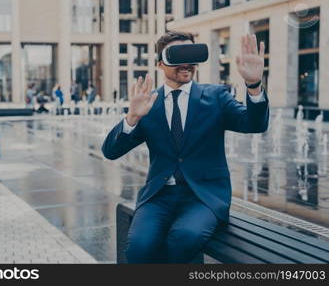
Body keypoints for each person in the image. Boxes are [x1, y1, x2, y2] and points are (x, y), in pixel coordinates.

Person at [101, 31, 269, 263]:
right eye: (178, 55)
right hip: (159, 196)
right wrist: (132, 119)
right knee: (138, 248)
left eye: (192, 54)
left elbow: (254, 124)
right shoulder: (148, 103)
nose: (187, 63)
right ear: (161, 63)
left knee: (183, 238)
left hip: (203, 197)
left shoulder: (216, 96)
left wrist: (254, 85)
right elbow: (110, 151)